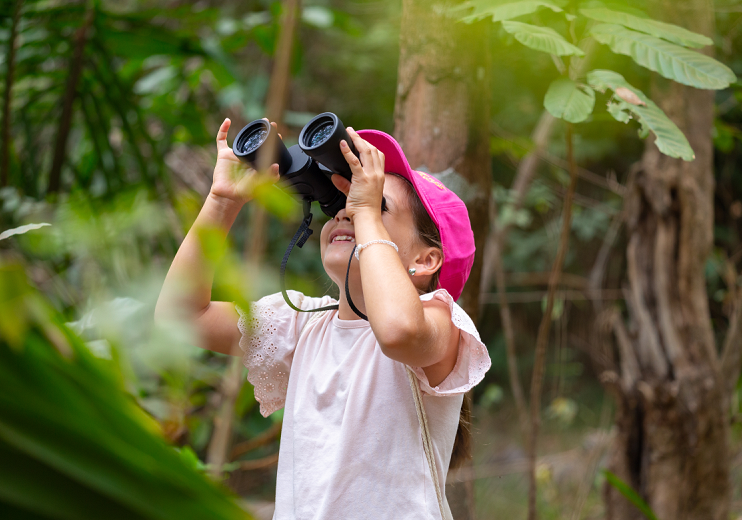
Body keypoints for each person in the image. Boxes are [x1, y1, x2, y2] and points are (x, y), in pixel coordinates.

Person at [155, 118, 491, 519]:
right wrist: (223, 202)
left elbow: (399, 332)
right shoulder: (300, 326)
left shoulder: (441, 323)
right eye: (341, 200)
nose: (347, 211)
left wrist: (363, 213)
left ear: (426, 260)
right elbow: (181, 315)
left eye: (376, 202)